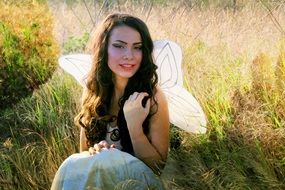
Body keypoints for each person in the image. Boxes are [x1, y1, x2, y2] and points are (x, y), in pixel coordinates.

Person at [51, 13, 170, 189]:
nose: (129, 55)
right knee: (72, 163)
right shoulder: (93, 91)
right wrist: (96, 150)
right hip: (99, 183)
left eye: (137, 47)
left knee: (106, 159)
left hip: (137, 184)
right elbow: (84, 157)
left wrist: (135, 127)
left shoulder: (153, 97)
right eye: (119, 46)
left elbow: (157, 168)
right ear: (103, 48)